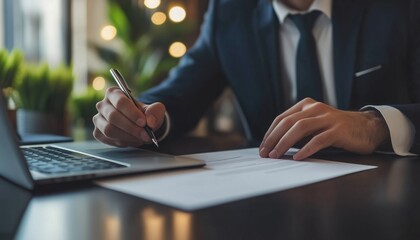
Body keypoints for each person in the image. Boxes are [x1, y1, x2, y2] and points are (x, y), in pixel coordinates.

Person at [93, 0, 420, 160]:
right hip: (269, 207)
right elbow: (179, 94)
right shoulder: (230, 12)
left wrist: (374, 125)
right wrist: (137, 117)